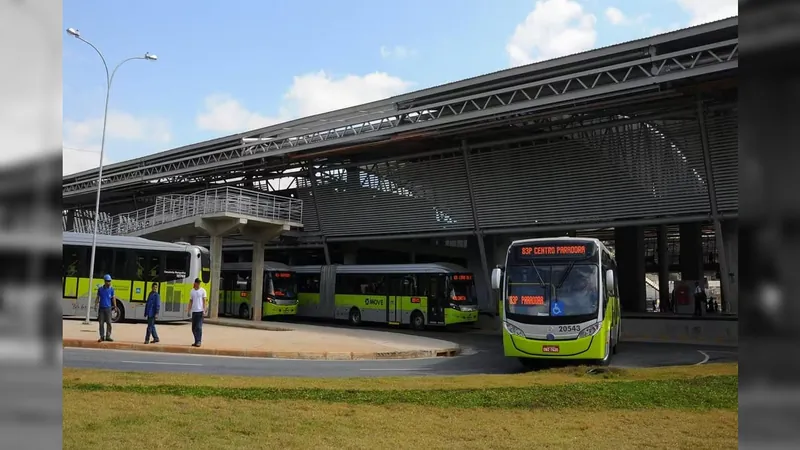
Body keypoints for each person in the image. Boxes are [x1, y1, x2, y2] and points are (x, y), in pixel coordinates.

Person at [95, 274, 117, 342]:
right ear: (104, 281)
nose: (109, 282)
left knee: (109, 323)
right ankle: (102, 336)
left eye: (109, 281)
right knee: (101, 323)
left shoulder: (111, 289)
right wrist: (96, 304)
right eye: (107, 281)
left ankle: (108, 336)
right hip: (101, 308)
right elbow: (98, 297)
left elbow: (113, 298)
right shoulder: (100, 289)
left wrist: (115, 306)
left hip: (108, 308)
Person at [188, 278, 207, 347]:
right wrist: (188, 310)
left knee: (198, 327)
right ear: (195, 283)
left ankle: (199, 341)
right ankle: (196, 341)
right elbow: (190, 301)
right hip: (194, 311)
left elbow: (204, 301)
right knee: (193, 328)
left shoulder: (202, 291)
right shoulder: (192, 291)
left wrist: (204, 310)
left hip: (200, 311)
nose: (198, 284)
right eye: (197, 282)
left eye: (199, 283)